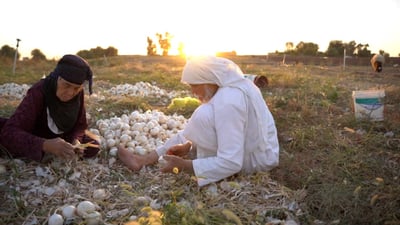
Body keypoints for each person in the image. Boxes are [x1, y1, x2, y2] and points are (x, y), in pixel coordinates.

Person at [118, 56, 279, 187]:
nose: (193, 92)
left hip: (256, 161)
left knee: (203, 115)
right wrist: (189, 146)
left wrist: (186, 166)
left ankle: (145, 159)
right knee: (203, 116)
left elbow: (231, 162)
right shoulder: (234, 87)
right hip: (258, 150)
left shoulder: (229, 101)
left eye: (195, 86)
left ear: (209, 79)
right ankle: (146, 159)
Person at [0, 54, 100, 162]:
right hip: (34, 134)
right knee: (6, 136)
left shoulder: (78, 95)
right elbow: (10, 132)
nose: (71, 92)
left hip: (62, 138)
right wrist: (45, 144)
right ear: (57, 78)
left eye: (76, 88)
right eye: (66, 85)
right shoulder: (39, 91)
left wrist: (76, 140)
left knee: (93, 146)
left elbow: (80, 126)